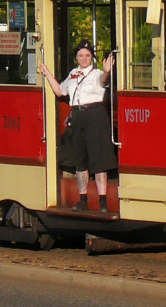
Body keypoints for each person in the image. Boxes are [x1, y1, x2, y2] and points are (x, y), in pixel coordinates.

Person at [39, 42, 118, 213]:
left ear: (92, 58)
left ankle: (102, 202)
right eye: (81, 55)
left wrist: (107, 72)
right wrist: (47, 74)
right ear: (76, 58)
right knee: (80, 161)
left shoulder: (97, 74)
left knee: (99, 161)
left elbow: (103, 81)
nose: (84, 58)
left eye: (87, 56)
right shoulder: (73, 74)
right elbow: (60, 91)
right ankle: (83, 200)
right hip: (77, 116)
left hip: (95, 115)